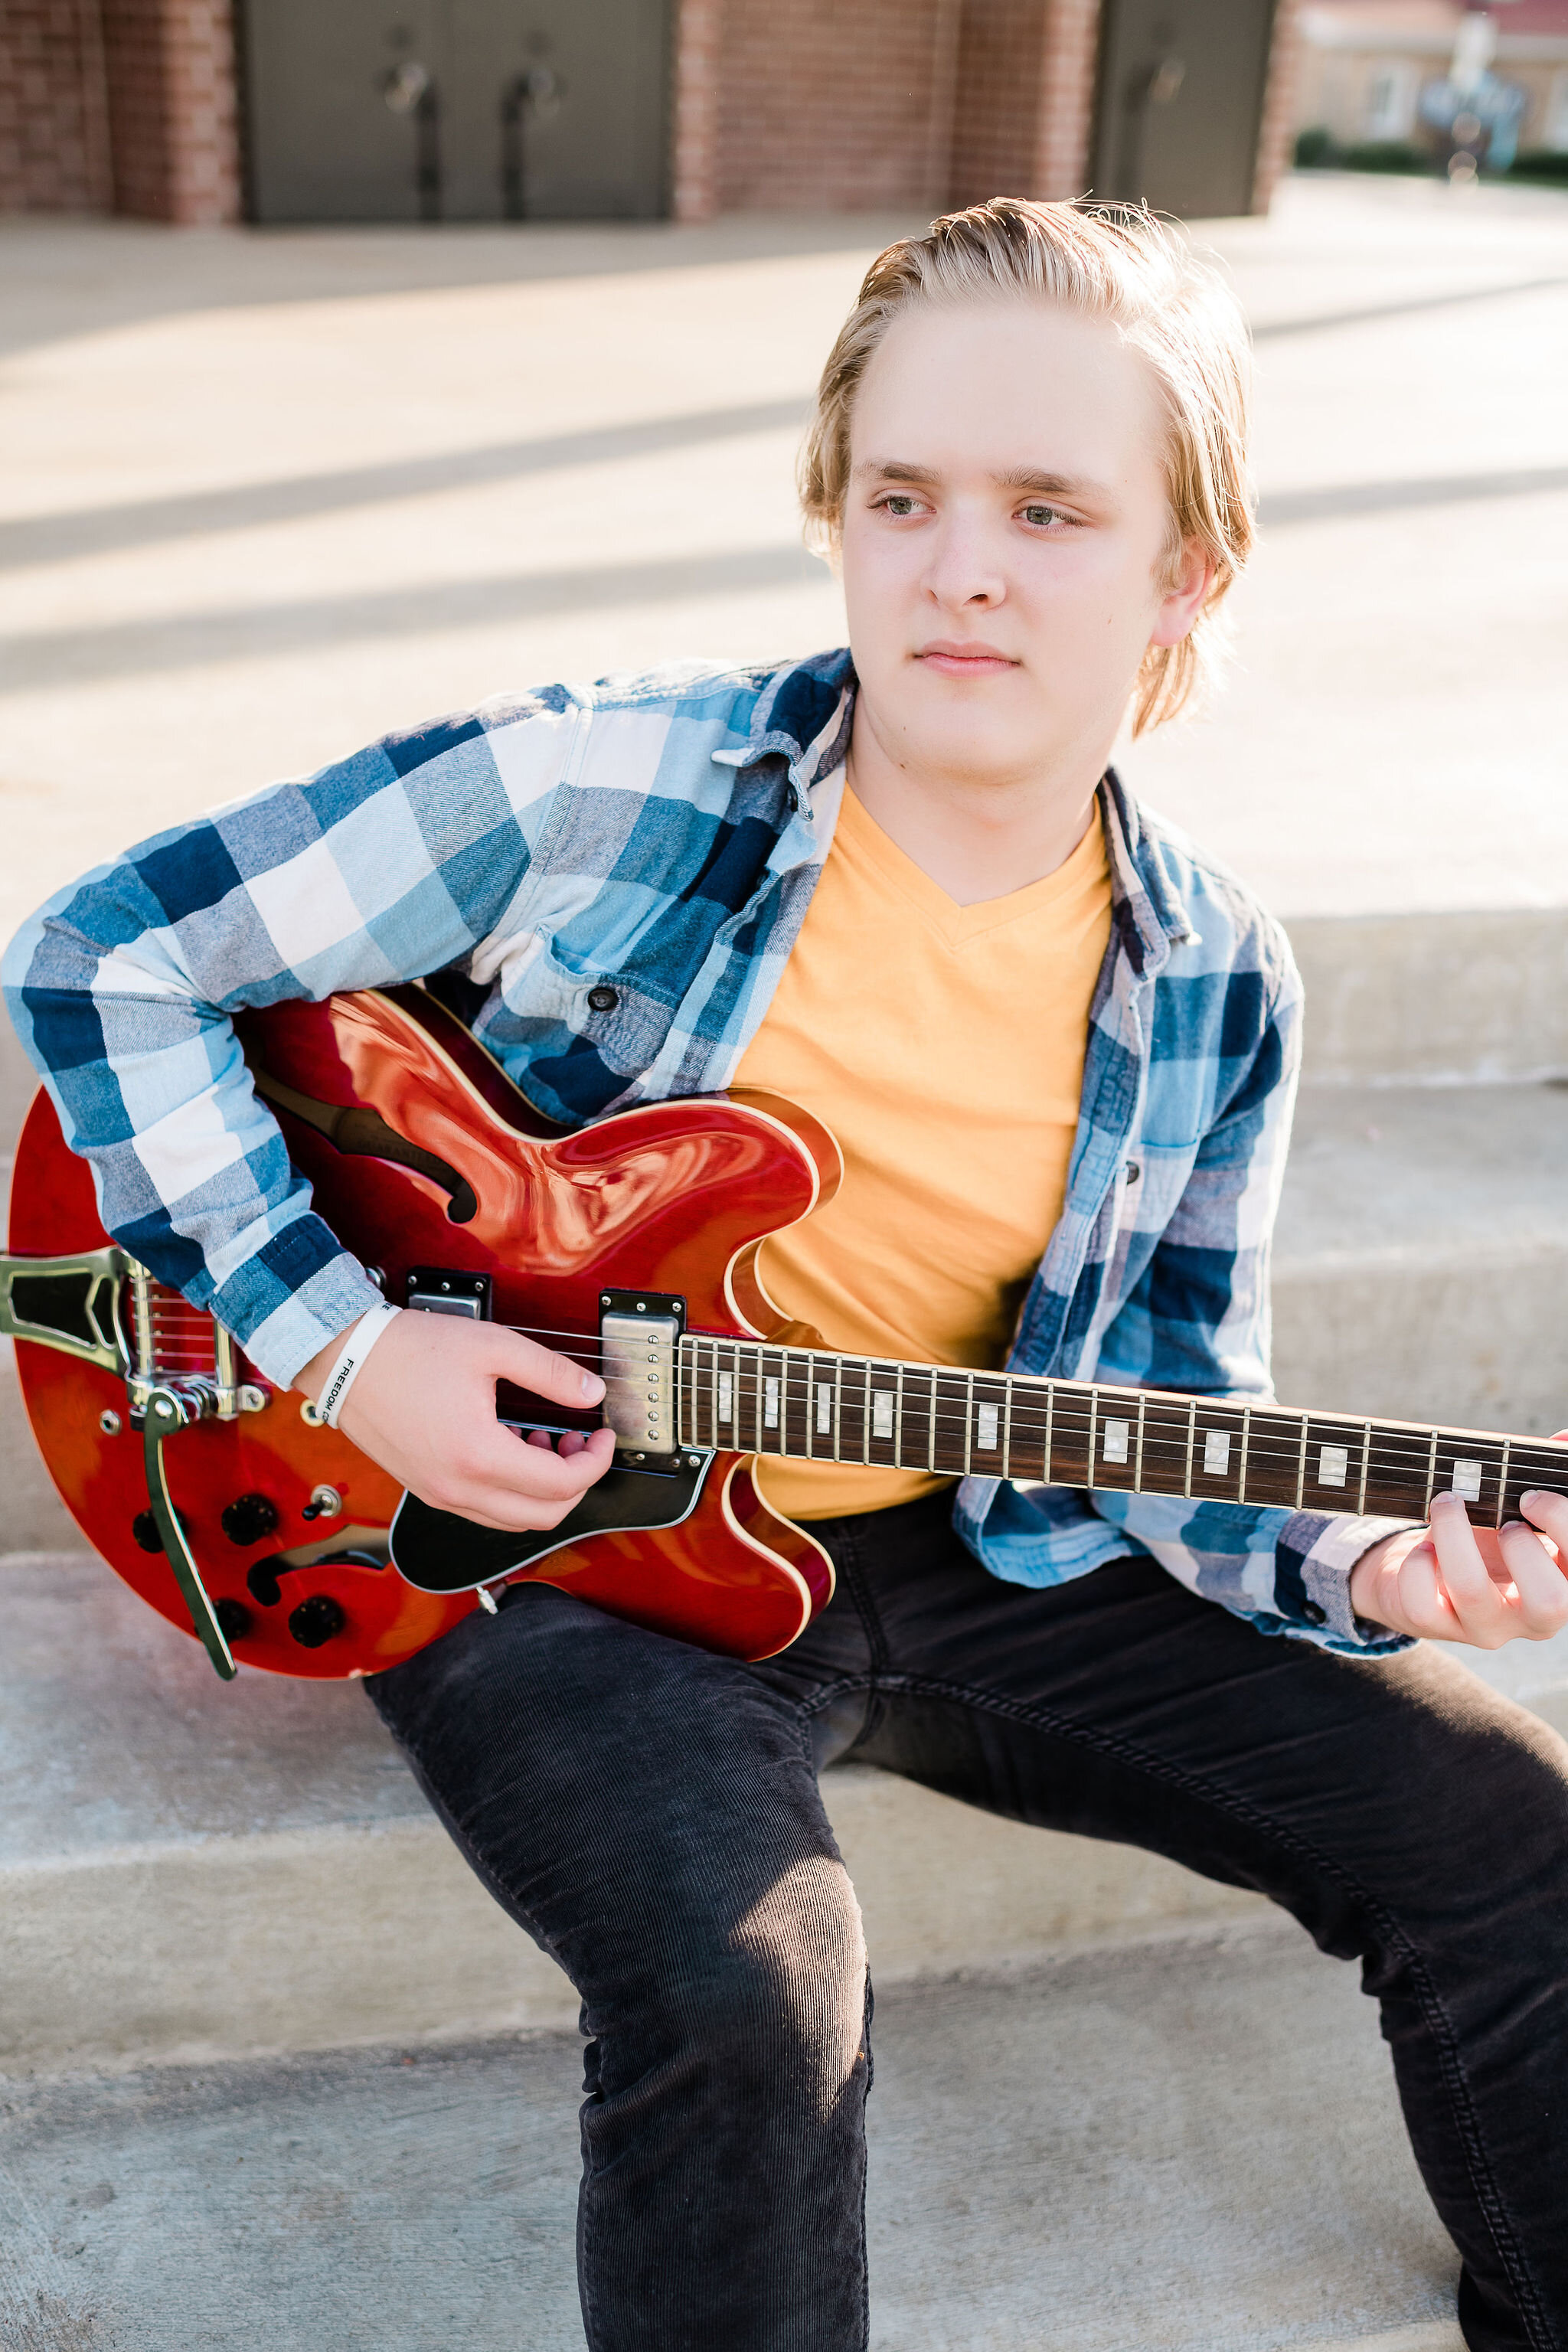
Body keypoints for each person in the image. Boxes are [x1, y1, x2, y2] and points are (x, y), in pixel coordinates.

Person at [6, 199, 1567, 2352]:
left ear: (1187, 572)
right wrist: (347, 1348)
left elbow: (1177, 1406)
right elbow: (106, 953)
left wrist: (1366, 1570)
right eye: (904, 496)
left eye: (1050, 508)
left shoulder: (1213, 978)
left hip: (967, 1525)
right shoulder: (602, 788)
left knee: (1513, 1825)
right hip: (542, 1531)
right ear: (837, 511)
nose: (964, 566)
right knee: (751, 1995)